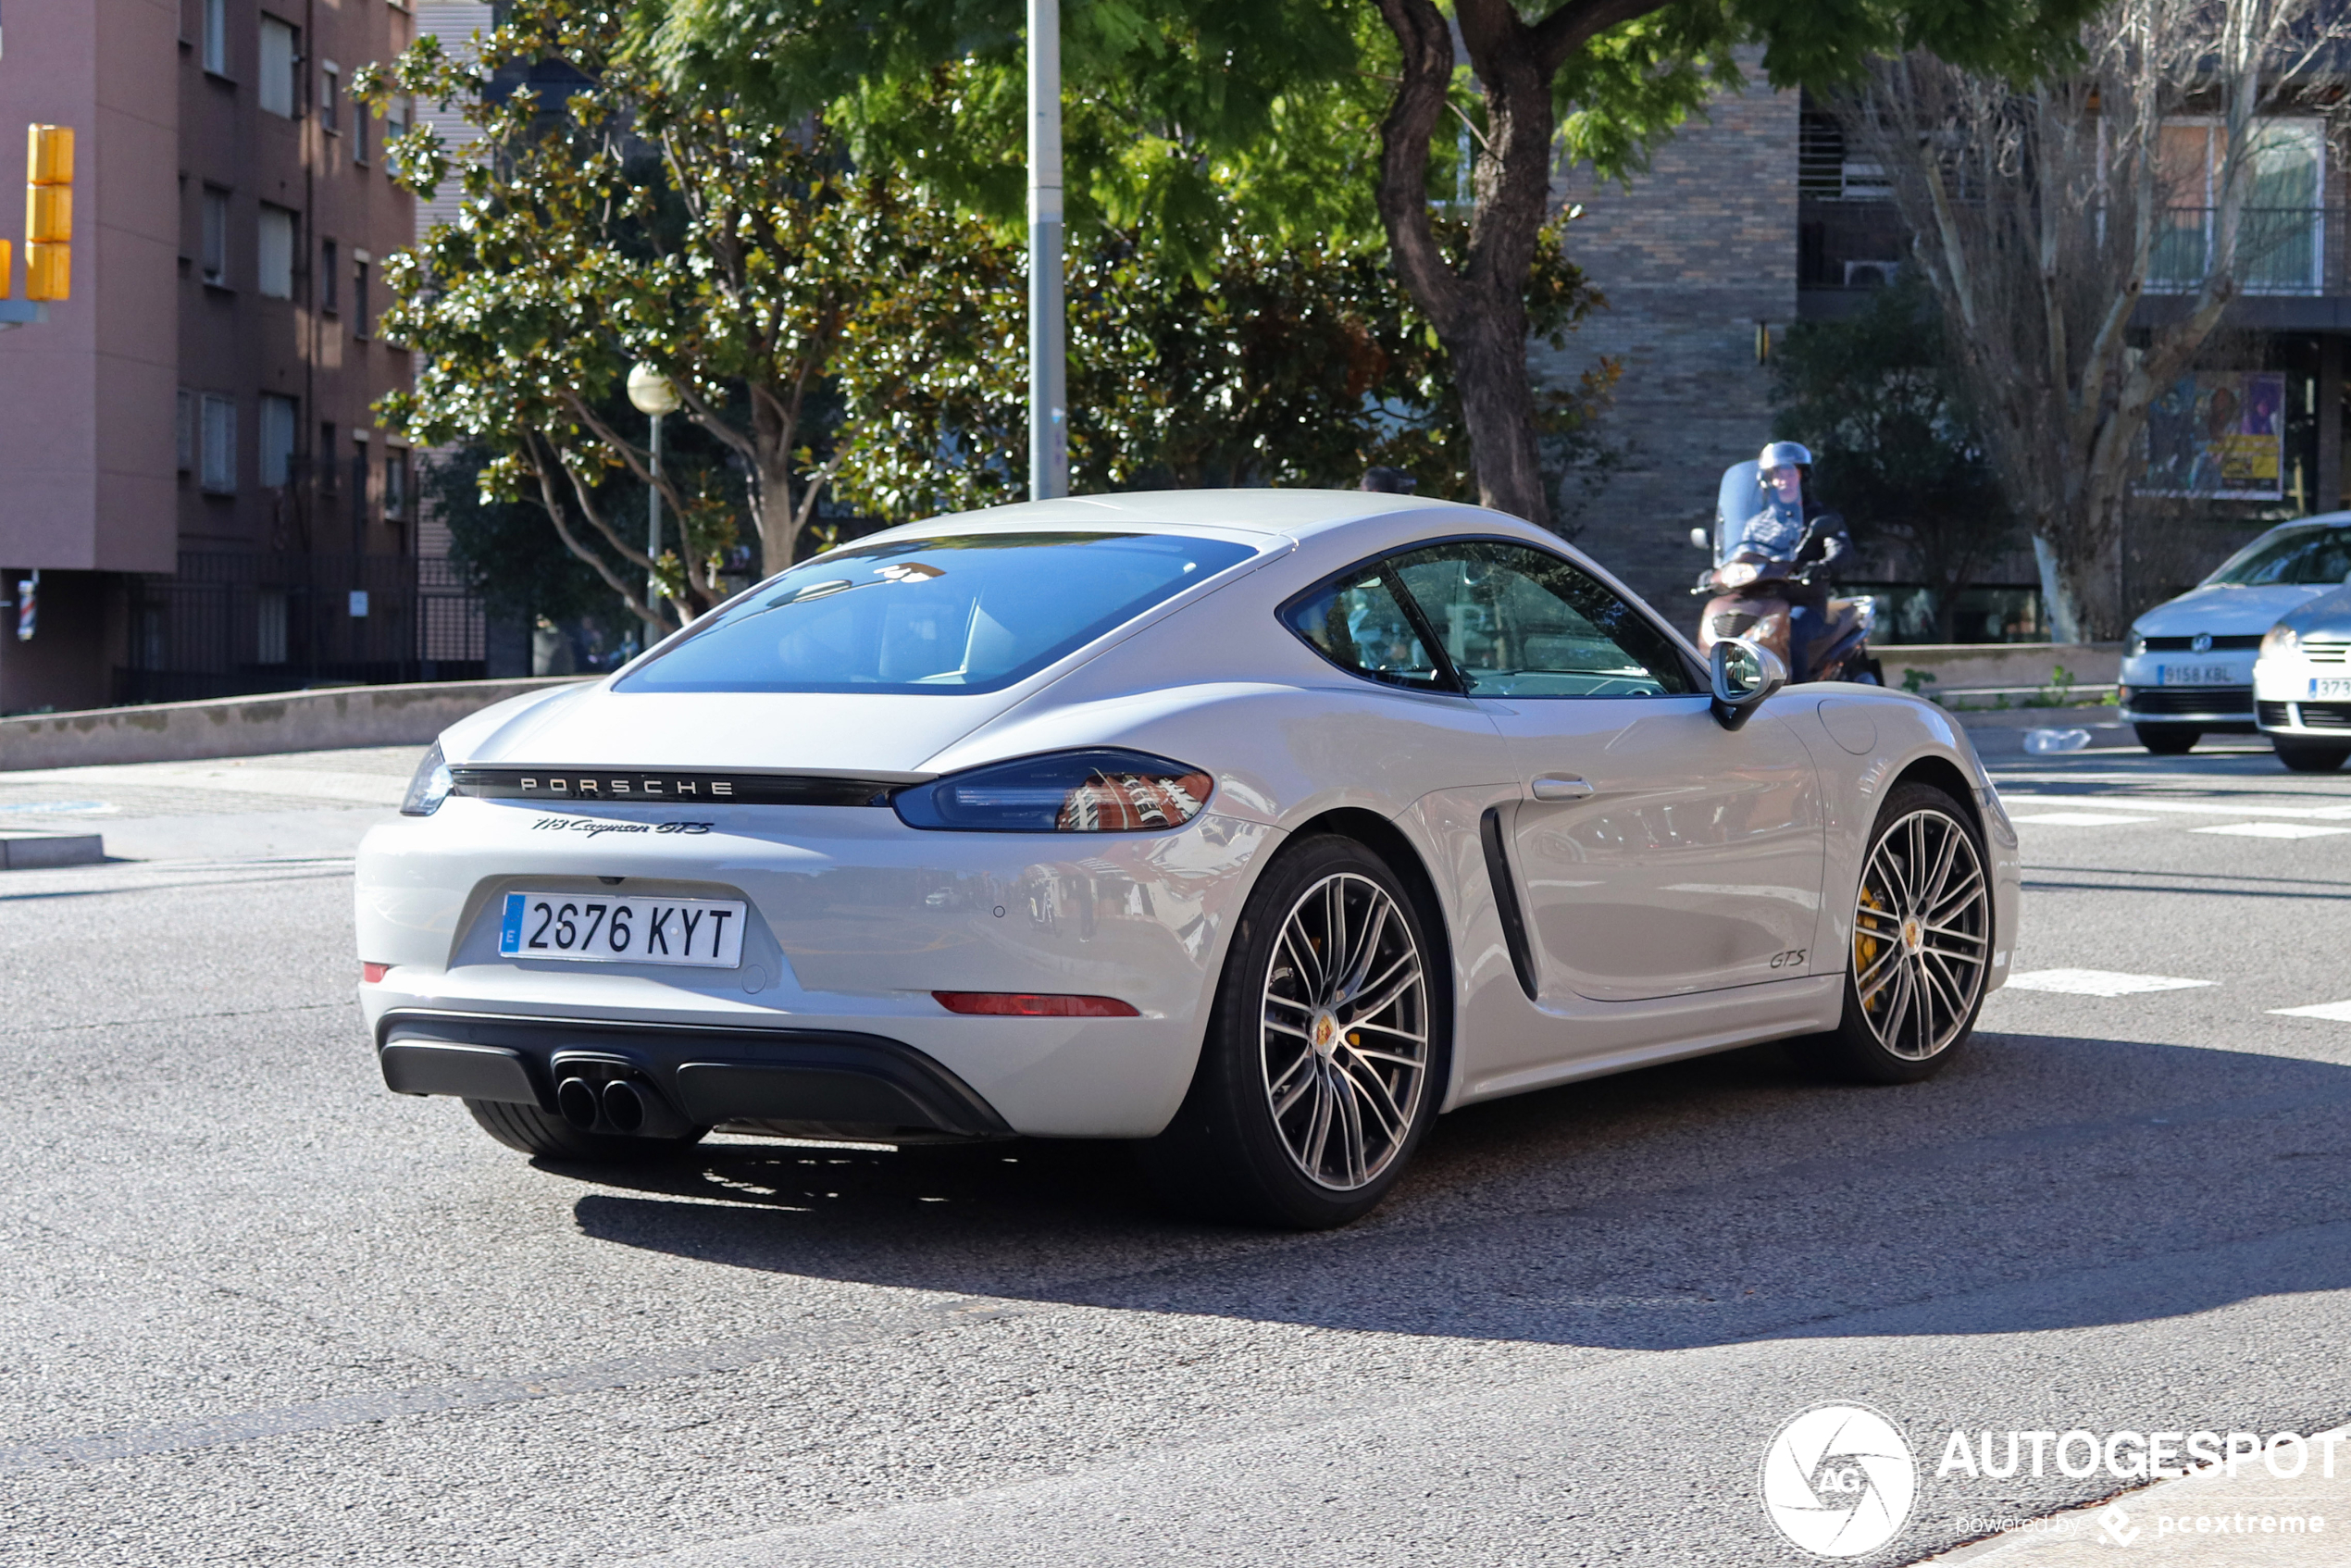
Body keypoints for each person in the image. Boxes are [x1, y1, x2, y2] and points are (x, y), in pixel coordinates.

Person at [1738, 441, 1849, 678]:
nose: (1784, 480)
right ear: (1768, 480)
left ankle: (1800, 696)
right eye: (1778, 475)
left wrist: (1823, 567)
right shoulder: (1757, 524)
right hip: (1762, 601)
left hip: (1805, 603)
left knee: (1793, 632)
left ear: (1802, 477)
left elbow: (1841, 550)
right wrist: (1718, 571)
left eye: (1791, 473)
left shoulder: (1821, 517)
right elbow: (1741, 556)